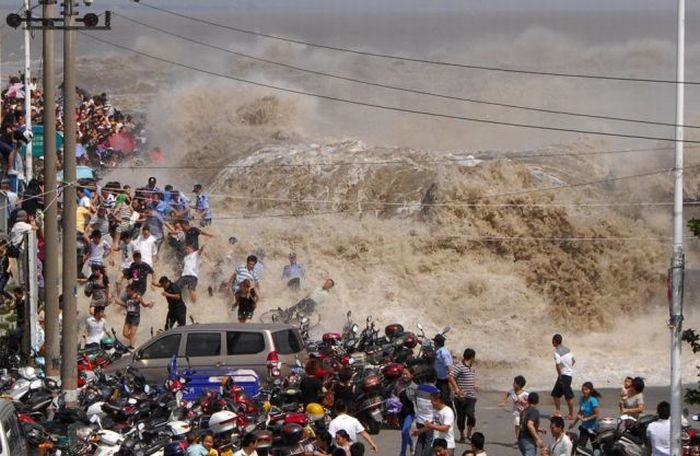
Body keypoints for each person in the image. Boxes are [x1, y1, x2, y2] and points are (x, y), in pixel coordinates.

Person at [449, 348, 478, 442]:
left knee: (471, 415)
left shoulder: (472, 368)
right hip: (460, 397)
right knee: (461, 417)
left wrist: (475, 385)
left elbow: (471, 379)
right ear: (472, 357)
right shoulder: (459, 366)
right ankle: (462, 435)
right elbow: (451, 376)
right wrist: (456, 389)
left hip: (471, 396)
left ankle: (469, 434)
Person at [116, 283, 154, 349]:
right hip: (128, 317)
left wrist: (149, 304)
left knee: (132, 334)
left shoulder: (138, 297)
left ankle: (131, 346)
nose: (127, 292)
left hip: (135, 318)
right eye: (127, 291)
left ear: (133, 291)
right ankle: (133, 340)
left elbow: (144, 305)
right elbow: (127, 306)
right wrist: (119, 303)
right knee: (124, 333)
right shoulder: (127, 297)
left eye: (128, 291)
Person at [568, 381, 601, 449]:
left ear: (590, 390)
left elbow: (596, 414)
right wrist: (574, 424)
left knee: (596, 449)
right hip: (584, 427)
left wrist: (586, 419)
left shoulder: (593, 400)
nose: (584, 391)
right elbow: (580, 413)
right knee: (580, 448)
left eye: (586, 389)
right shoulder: (581, 399)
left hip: (593, 428)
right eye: (583, 389)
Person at [414, 370, 440, 456]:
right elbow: (437, 406)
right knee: (429, 441)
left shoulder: (418, 388)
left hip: (419, 419)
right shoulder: (435, 391)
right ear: (435, 379)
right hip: (429, 421)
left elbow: (416, 401)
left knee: (420, 439)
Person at [550, 334, 575, 420]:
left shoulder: (556, 352)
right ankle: (558, 412)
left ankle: (571, 414)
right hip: (568, 375)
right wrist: (569, 368)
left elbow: (557, 365)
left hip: (563, 376)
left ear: (555, 341)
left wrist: (560, 376)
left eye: (552, 341)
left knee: (568, 397)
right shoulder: (568, 349)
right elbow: (573, 361)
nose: (552, 342)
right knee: (555, 394)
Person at [499, 375, 529, 444]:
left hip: (525, 413)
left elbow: (530, 402)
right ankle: (518, 439)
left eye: (515, 383)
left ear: (519, 385)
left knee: (524, 426)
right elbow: (507, 394)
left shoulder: (525, 394)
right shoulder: (512, 391)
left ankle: (526, 438)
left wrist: (524, 402)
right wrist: (503, 402)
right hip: (517, 412)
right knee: (517, 425)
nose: (513, 384)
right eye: (513, 382)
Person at [398, 366, 417, 456]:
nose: (404, 376)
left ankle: (402, 453)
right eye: (403, 374)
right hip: (400, 413)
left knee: (404, 431)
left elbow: (418, 402)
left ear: (412, 375)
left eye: (406, 374)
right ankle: (411, 444)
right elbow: (393, 395)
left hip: (410, 413)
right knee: (404, 432)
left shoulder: (415, 387)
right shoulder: (399, 385)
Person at [518, 392, 544, 456]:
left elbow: (523, 425)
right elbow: (529, 425)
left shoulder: (524, 411)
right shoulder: (534, 411)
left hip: (521, 440)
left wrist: (538, 429)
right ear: (537, 401)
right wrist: (538, 439)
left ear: (528, 400)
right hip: (528, 440)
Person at [433, 334, 452, 406]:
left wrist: (451, 382)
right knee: (438, 398)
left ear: (436, 343)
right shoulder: (439, 351)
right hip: (439, 379)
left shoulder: (443, 353)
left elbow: (449, 367)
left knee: (445, 399)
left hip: (445, 381)